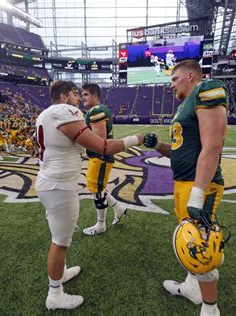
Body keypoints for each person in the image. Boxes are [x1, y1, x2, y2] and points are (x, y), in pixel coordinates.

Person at [35, 80, 143, 311]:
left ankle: (60, 273)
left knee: (59, 235)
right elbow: (102, 146)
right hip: (59, 185)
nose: (78, 99)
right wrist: (135, 139)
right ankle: (55, 294)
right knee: (60, 242)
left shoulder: (45, 114)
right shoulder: (66, 112)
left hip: (49, 182)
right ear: (64, 97)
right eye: (75, 94)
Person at [143, 60, 228, 316]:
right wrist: (158, 146)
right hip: (183, 182)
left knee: (203, 246)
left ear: (191, 76)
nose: (171, 85)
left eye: (174, 79)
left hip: (199, 183)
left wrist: (198, 193)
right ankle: (193, 288)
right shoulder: (185, 106)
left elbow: (213, 147)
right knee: (191, 239)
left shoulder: (207, 89)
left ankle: (210, 309)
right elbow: (181, 151)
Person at [81, 83, 127, 236]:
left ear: (95, 95)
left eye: (86, 94)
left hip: (100, 156)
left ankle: (101, 225)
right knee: (96, 187)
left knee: (97, 190)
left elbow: (99, 141)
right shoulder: (99, 110)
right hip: (99, 157)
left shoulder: (97, 111)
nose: (83, 98)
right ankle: (118, 208)